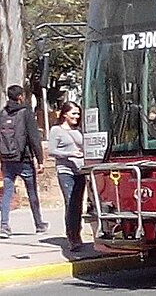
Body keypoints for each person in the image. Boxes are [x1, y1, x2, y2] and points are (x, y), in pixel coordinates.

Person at [0, 85, 48, 238]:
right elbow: (34, 137)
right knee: (32, 192)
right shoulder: (26, 112)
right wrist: (40, 159)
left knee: (7, 193)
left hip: (7, 159)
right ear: (20, 96)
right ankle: (39, 223)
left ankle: (4, 225)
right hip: (24, 158)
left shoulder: (2, 113)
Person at [47, 102, 85, 251]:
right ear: (64, 114)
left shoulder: (79, 130)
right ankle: (72, 236)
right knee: (70, 203)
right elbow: (51, 151)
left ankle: (77, 232)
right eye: (73, 113)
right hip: (65, 171)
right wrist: (69, 153)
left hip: (80, 171)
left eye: (78, 114)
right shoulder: (56, 130)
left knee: (78, 204)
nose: (76, 116)